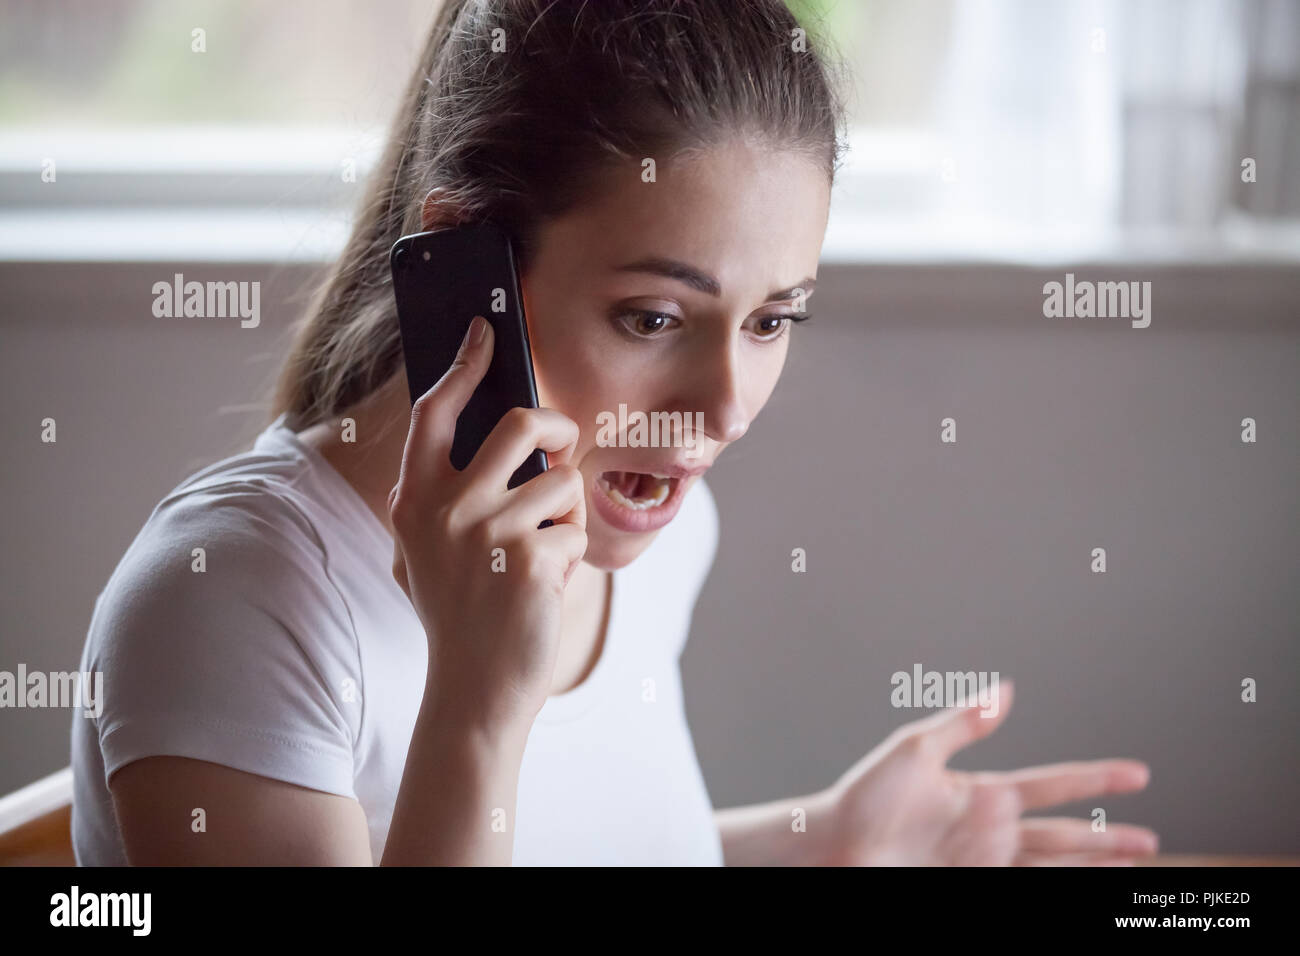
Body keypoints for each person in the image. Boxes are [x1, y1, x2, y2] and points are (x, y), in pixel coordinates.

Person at [71, 0, 1158, 866]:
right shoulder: (234, 598)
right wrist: (479, 704)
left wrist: (817, 845)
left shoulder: (652, 527)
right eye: (654, 318)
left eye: (774, 319)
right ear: (461, 265)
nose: (725, 409)